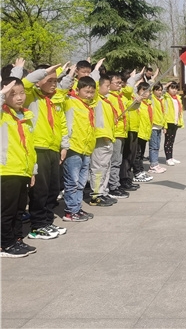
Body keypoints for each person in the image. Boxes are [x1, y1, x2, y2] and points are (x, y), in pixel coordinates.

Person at [21, 64, 69, 240]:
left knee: (52, 188)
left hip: (53, 148)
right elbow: (25, 83)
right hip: (38, 148)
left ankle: (47, 221)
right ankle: (38, 225)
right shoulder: (30, 96)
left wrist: (64, 146)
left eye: (56, 80)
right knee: (39, 190)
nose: (54, 84)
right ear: (38, 80)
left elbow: (62, 124)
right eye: (49, 80)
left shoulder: (56, 99)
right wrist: (42, 72)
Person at [0, 78, 38, 257]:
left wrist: (33, 171)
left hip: (23, 170)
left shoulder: (26, 117)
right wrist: (2, 93)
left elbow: (30, 147)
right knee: (7, 210)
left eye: (22, 93)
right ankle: (5, 244)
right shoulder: (3, 115)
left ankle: (16, 239)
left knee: (19, 209)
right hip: (7, 170)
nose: (19, 97)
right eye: (13, 94)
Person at [61, 75, 96, 222]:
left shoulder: (90, 105)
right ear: (78, 90)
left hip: (86, 148)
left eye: (92, 92)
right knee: (72, 181)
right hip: (74, 148)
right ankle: (70, 211)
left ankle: (77, 208)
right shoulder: (70, 102)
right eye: (86, 91)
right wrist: (70, 76)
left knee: (81, 182)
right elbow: (61, 91)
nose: (89, 95)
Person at [89, 75, 118, 207]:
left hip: (108, 137)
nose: (108, 88)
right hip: (100, 137)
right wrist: (96, 70)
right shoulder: (96, 99)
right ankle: (96, 195)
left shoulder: (106, 101)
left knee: (106, 167)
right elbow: (95, 83)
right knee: (98, 167)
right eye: (106, 86)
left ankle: (103, 192)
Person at [133, 82, 156, 180]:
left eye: (148, 91)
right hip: (139, 132)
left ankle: (141, 170)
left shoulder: (148, 103)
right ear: (138, 91)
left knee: (141, 153)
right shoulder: (137, 103)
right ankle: (137, 172)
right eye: (143, 90)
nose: (146, 93)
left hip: (145, 133)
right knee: (137, 154)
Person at [163, 82, 184, 166]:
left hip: (175, 121)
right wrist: (164, 125)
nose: (174, 90)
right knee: (168, 141)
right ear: (168, 89)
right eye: (172, 88)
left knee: (172, 140)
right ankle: (168, 158)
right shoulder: (166, 97)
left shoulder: (177, 98)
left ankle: (171, 157)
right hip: (168, 121)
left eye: (176, 88)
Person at [148, 83, 167, 174]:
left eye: (161, 90)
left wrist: (164, 126)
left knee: (157, 146)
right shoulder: (152, 99)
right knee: (153, 146)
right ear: (153, 91)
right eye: (157, 90)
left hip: (159, 125)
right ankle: (153, 165)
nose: (160, 92)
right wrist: (153, 79)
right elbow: (149, 86)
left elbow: (164, 113)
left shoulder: (161, 100)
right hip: (154, 126)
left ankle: (155, 163)